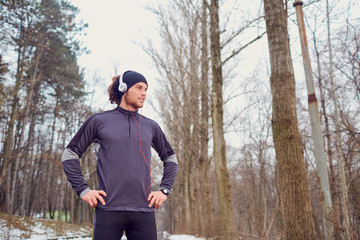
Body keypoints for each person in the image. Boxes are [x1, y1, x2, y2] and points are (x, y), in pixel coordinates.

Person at [61, 70, 178, 240]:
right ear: (124, 88)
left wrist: (164, 190)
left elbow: (170, 158)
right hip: (108, 210)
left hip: (144, 211)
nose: (144, 93)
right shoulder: (99, 121)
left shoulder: (151, 126)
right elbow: (70, 153)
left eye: (146, 89)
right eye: (139, 88)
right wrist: (83, 190)